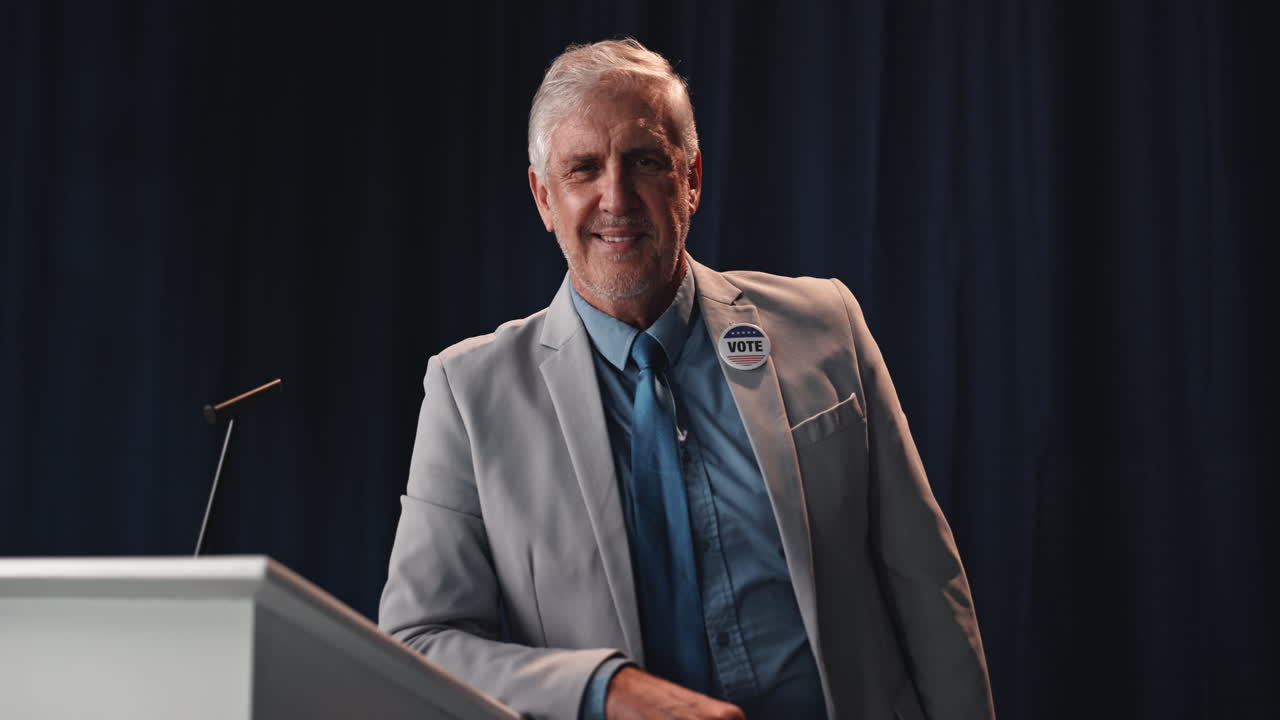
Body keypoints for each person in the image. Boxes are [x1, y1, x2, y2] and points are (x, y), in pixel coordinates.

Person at [380, 38, 995, 720]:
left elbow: (927, 585)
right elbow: (419, 642)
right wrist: (602, 689)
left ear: (692, 178)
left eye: (645, 162)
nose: (617, 199)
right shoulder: (470, 393)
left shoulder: (828, 326)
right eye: (584, 169)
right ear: (543, 198)